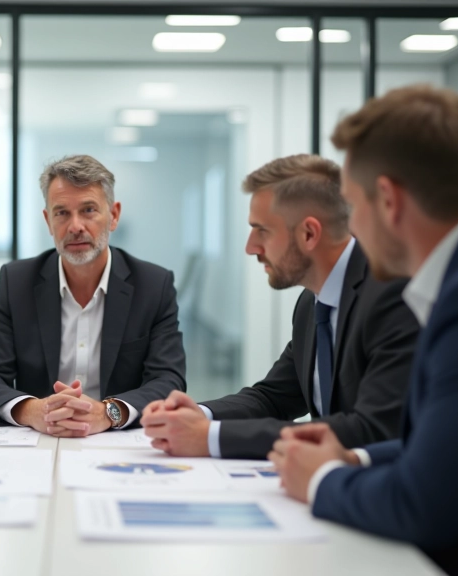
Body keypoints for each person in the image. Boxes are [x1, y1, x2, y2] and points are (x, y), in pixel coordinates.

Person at [269, 85, 458, 575]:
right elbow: (454, 445)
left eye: (351, 205)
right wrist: (355, 460)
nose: (350, 228)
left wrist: (320, 478)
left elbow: (424, 505)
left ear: (387, 200)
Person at [141, 155, 419, 459]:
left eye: (262, 230)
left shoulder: (393, 295)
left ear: (309, 234)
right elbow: (273, 398)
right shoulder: (311, 304)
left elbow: (371, 429)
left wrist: (210, 437)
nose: (250, 247)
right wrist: (200, 415)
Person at [0, 154, 186, 436]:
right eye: (62, 213)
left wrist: (109, 412)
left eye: (88, 210)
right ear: (48, 221)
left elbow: (169, 380)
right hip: (38, 440)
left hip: (116, 440)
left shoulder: (153, 285)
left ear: (114, 215)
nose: (75, 226)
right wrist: (34, 410)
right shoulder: (16, 283)